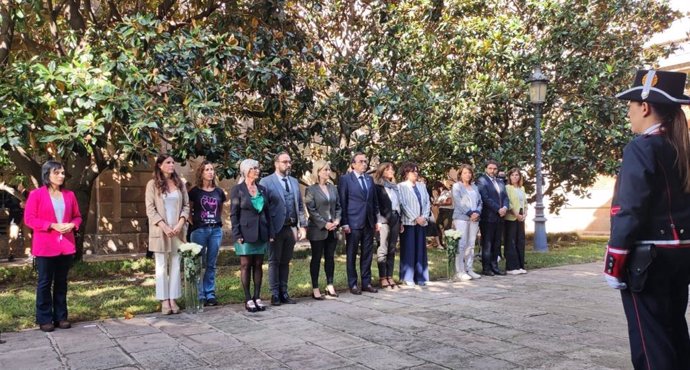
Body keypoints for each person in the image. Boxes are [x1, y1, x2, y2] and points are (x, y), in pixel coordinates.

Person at [604, 69, 690, 369]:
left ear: (645, 106)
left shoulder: (641, 147)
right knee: (676, 333)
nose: (628, 112)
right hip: (681, 255)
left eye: (630, 106)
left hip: (648, 261)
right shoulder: (681, 148)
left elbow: (629, 209)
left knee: (650, 343)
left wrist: (614, 263)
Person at [24, 160, 82, 332]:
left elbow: (77, 217)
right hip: (45, 246)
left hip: (66, 245)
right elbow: (29, 219)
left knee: (61, 282)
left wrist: (72, 225)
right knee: (44, 282)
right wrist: (51, 225)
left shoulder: (70, 195)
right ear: (47, 175)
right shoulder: (36, 195)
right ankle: (44, 318)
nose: (61, 176)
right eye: (57, 173)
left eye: (63, 173)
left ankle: (61, 316)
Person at [260, 152, 307, 305]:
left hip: (291, 227)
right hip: (275, 228)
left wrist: (302, 226)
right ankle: (274, 294)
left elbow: (299, 205)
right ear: (276, 164)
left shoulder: (293, 181)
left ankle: (284, 292)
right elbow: (264, 207)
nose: (288, 164)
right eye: (284, 162)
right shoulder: (266, 182)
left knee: (286, 261)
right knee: (274, 261)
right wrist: (268, 230)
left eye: (289, 162)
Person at [145, 154, 190, 315]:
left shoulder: (179, 184)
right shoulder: (152, 185)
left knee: (176, 263)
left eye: (173, 162)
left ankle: (173, 298)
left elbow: (186, 206)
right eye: (168, 162)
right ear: (159, 165)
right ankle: (164, 299)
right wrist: (164, 226)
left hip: (177, 230)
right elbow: (150, 209)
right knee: (161, 266)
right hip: (160, 230)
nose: (172, 165)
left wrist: (179, 224)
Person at [231, 159, 273, 312]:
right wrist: (237, 234)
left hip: (261, 232)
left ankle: (257, 296)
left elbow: (268, 213)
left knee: (258, 265)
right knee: (245, 265)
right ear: (246, 171)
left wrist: (271, 232)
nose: (257, 171)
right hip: (245, 233)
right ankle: (248, 298)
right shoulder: (238, 189)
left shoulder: (262, 189)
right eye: (253, 168)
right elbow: (234, 215)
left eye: (257, 168)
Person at [338, 152, 380, 294]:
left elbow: (374, 202)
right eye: (361, 161)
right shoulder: (345, 179)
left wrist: (376, 220)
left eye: (365, 161)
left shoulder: (369, 179)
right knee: (352, 254)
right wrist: (344, 223)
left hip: (368, 222)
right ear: (353, 164)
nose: (364, 164)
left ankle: (366, 282)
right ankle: (353, 284)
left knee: (367, 253)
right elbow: (342, 202)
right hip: (353, 222)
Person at [188, 161, 226, 306]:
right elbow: (188, 210)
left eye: (211, 169)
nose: (210, 172)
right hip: (199, 230)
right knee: (198, 262)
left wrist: (214, 221)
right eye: (206, 170)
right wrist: (195, 224)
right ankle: (199, 294)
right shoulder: (194, 192)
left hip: (215, 230)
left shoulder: (219, 192)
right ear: (201, 173)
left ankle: (210, 293)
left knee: (211, 263)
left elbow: (219, 210)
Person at [304, 160, 341, 299]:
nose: (328, 172)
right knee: (316, 258)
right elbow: (311, 210)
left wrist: (336, 221)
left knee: (330, 258)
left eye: (328, 169)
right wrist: (324, 224)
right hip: (318, 230)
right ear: (318, 172)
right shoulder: (311, 189)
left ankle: (330, 285)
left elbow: (338, 206)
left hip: (333, 228)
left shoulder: (333, 188)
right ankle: (315, 287)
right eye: (325, 169)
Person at [398, 162, 431, 286]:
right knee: (409, 249)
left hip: (422, 222)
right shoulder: (401, 186)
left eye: (417, 171)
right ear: (406, 173)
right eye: (413, 171)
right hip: (409, 222)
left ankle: (421, 276)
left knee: (420, 249)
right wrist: (415, 217)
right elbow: (403, 204)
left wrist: (424, 217)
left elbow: (427, 202)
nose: (416, 174)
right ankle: (408, 277)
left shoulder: (422, 186)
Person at [476, 160, 509, 276]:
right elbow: (485, 198)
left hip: (500, 217)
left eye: (494, 169)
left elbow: (505, 197)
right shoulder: (482, 181)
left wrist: (505, 207)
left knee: (497, 243)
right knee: (488, 243)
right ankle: (486, 267)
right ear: (486, 169)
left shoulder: (500, 182)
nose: (492, 171)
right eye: (490, 168)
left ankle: (495, 266)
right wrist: (497, 209)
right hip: (488, 217)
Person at [451, 164, 482, 281]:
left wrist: (477, 212)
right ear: (460, 174)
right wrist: (470, 213)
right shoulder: (457, 186)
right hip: (462, 218)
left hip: (475, 219)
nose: (467, 175)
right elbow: (459, 202)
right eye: (465, 173)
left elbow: (480, 201)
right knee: (462, 243)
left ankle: (469, 268)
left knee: (471, 244)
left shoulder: (475, 187)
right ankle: (460, 271)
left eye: (469, 173)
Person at [373, 162, 402, 289]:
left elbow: (398, 205)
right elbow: (376, 205)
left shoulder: (395, 187)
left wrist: (400, 221)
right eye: (388, 169)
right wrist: (378, 220)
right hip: (384, 219)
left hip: (395, 217)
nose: (391, 171)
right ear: (382, 171)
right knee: (383, 248)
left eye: (392, 169)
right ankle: (382, 277)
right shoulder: (377, 186)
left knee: (392, 248)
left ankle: (390, 275)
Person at [504, 168, 527, 275]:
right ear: (509, 177)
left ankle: (520, 265)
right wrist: (516, 214)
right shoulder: (507, 188)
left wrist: (525, 214)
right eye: (512, 175)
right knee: (511, 242)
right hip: (511, 218)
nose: (515, 177)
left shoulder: (522, 188)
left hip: (521, 219)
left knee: (520, 241)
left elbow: (525, 203)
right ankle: (511, 267)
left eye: (517, 175)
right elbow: (508, 203)